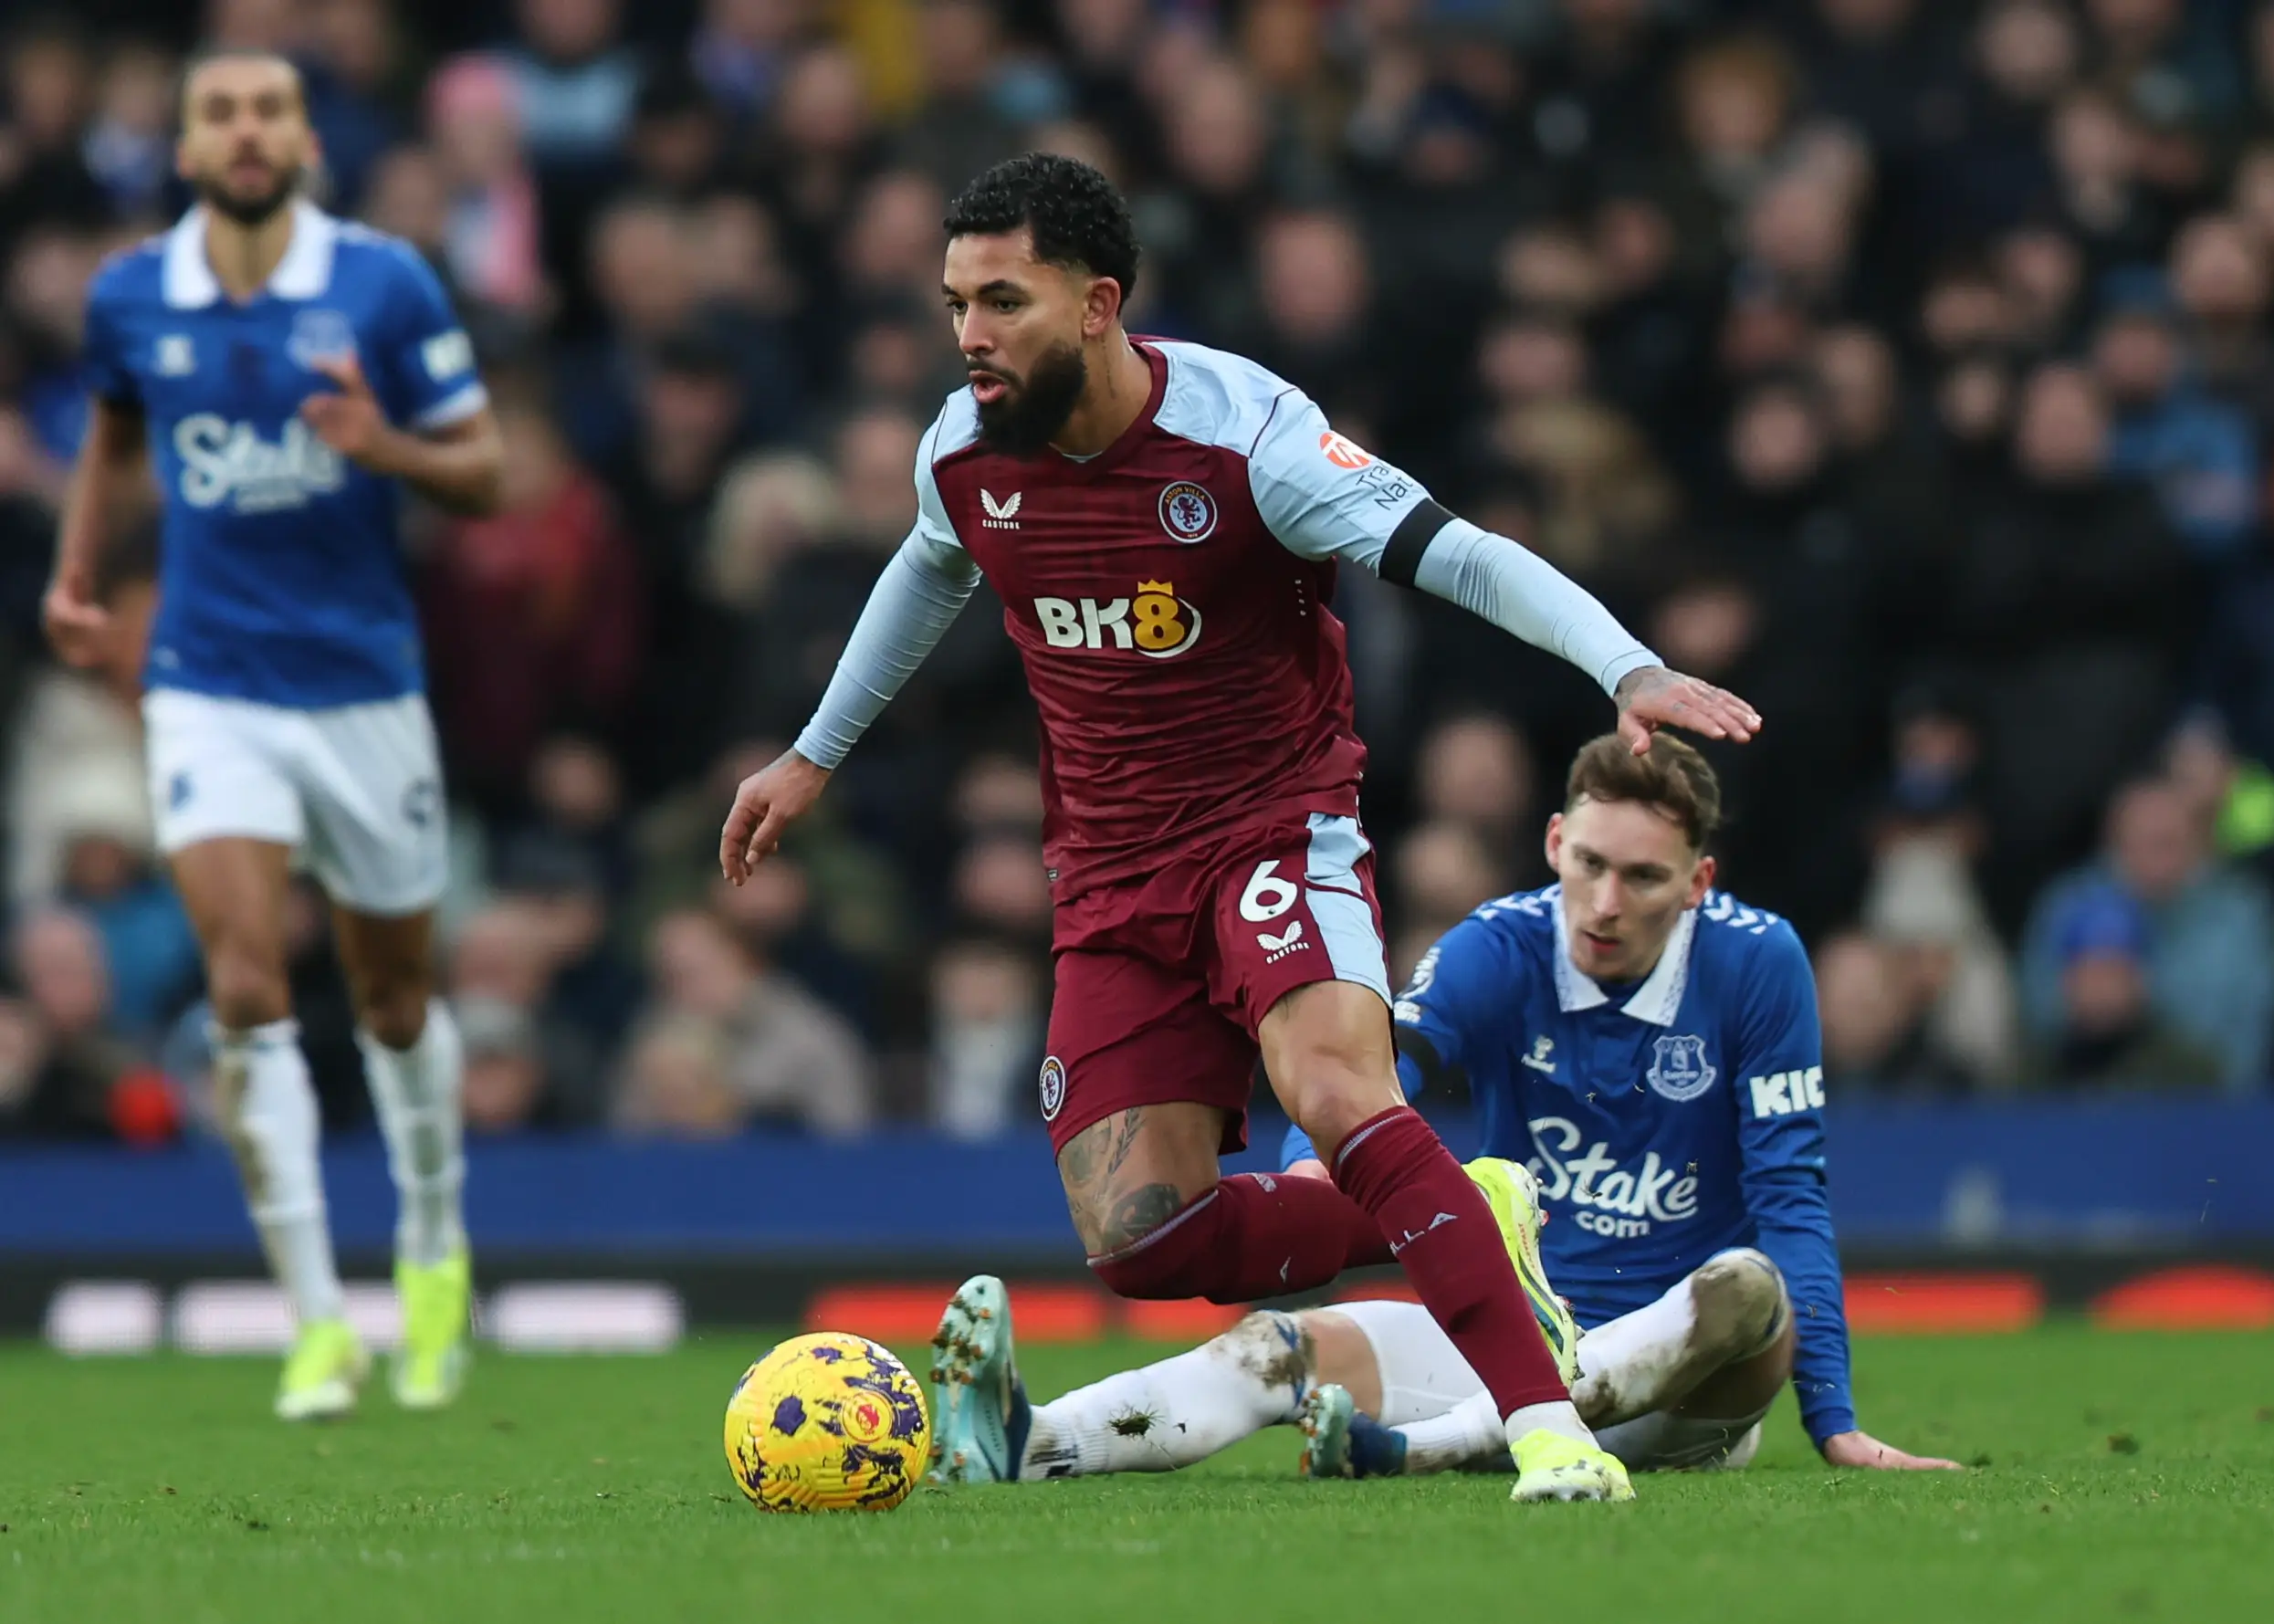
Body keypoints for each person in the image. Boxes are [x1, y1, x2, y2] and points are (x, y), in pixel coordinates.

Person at [722, 154, 1761, 1504]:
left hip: (1274, 829)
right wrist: (814, 754)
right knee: (1144, 1238)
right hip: (1106, 870)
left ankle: (1545, 1424)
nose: (970, 334)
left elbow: (1459, 549)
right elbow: (930, 564)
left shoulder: (1248, 439)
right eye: (954, 302)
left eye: (1002, 300)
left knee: (1335, 1095)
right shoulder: (965, 450)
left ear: (1097, 304)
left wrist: (1624, 668)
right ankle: (1477, 1206)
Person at [920, 735, 1955, 1483]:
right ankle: (1031, 1439)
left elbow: (1791, 1191)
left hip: (1685, 1385)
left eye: (1641, 877)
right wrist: (1310, 1167)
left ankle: (1421, 1451)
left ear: (1696, 881)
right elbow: (1369, 1068)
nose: (1603, 902)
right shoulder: (1502, 944)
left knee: (1744, 1286)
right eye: (1587, 865)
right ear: (1554, 842)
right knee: (1271, 1348)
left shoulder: (1758, 961)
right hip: (1523, 1326)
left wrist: (1835, 1423)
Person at [45, 50, 504, 1420]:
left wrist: (386, 446)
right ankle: (316, 1320)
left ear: (305, 137)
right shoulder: (132, 294)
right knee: (243, 984)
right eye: (218, 114)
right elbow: (115, 440)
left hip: (362, 684)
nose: (245, 134)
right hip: (208, 679)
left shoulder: (385, 283)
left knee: (394, 1001)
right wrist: (77, 578)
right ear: (185, 148)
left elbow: (482, 469)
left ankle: (431, 1248)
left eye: (266, 112)